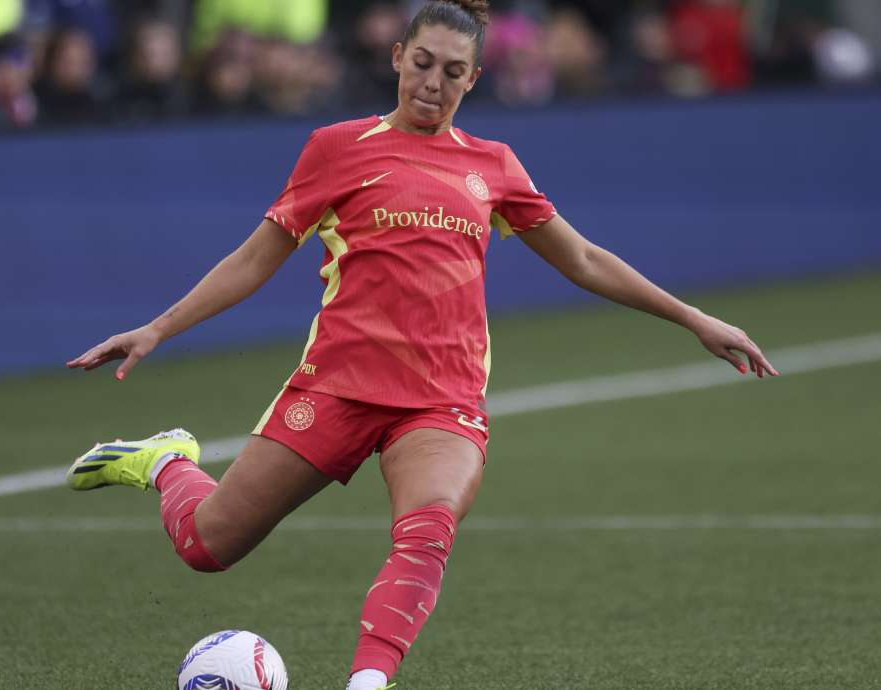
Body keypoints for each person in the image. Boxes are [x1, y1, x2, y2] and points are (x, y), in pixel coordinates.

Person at [64, 1, 778, 688]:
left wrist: (694, 318)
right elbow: (255, 260)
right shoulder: (336, 148)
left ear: (475, 78)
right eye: (423, 64)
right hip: (337, 387)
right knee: (206, 547)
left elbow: (583, 259)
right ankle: (165, 462)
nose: (433, 84)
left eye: (453, 72)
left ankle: (369, 682)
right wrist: (158, 327)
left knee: (428, 529)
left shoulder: (495, 165)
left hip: (441, 401)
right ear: (397, 56)